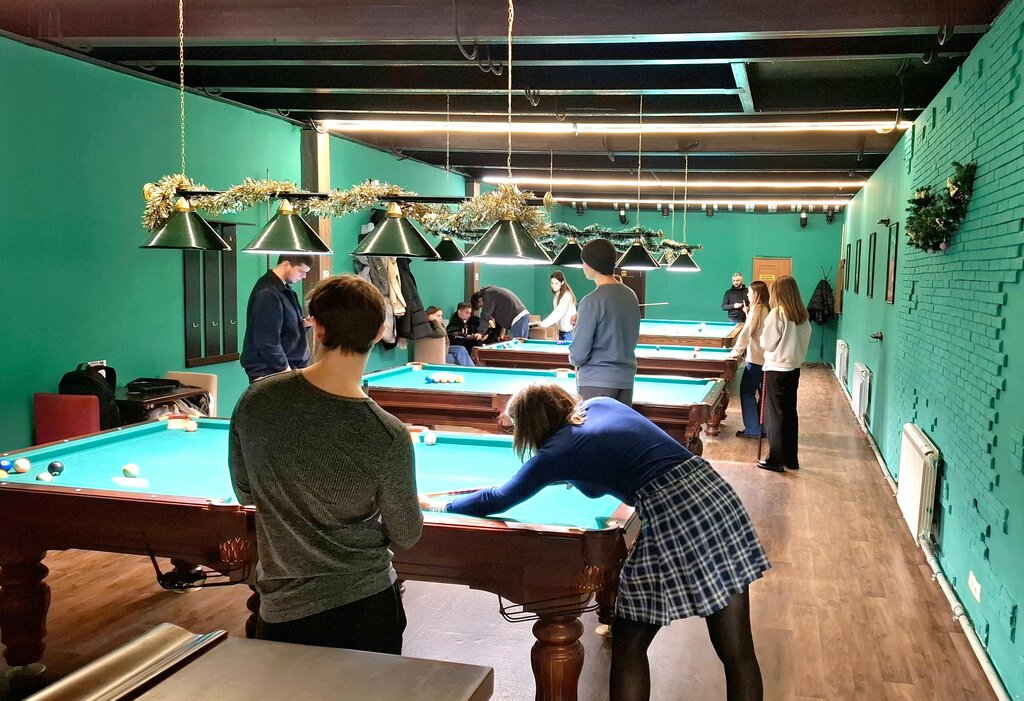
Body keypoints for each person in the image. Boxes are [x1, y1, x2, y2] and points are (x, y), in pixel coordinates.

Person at [420, 383, 768, 701]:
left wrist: (440, 506)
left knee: (629, 642)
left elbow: (496, 499)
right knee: (736, 648)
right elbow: (613, 463)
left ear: (532, 426)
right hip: (715, 493)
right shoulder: (600, 405)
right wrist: (569, 472)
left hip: (675, 512)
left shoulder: (556, 453)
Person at [230, 274, 423, 653]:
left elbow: (245, 492)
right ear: (379, 332)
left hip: (282, 610)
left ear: (316, 328)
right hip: (368, 607)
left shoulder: (255, 400)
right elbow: (407, 535)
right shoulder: (388, 434)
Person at [569, 239, 641, 404]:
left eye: (584, 261)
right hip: (625, 382)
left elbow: (578, 355)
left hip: (596, 382)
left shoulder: (591, 301)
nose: (583, 266)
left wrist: (580, 325)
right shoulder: (630, 296)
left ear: (592, 264)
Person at [757, 275, 811, 472]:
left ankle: (775, 459)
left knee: (775, 416)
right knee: (789, 413)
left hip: (776, 370)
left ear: (778, 292)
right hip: (794, 370)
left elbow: (766, 343)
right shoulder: (802, 315)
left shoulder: (778, 313)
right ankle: (790, 459)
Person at [240, 255, 313, 382]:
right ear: (286, 265)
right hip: (271, 373)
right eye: (300, 271)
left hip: (283, 370)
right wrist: (286, 371)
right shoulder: (267, 294)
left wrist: (302, 325)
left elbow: (283, 328)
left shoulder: (284, 290)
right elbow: (267, 341)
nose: (304, 276)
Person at [733, 281, 771, 439]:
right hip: (767, 360)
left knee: (747, 393)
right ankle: (763, 428)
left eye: (749, 292)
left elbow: (747, 331)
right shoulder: (767, 308)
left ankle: (753, 429)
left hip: (756, 360)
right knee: (764, 394)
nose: (748, 295)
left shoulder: (757, 309)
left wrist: (736, 352)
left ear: (755, 294)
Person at [533, 271, 577, 341]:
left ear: (562, 283)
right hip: (561, 332)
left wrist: (543, 324)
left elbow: (558, 313)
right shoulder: (556, 295)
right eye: (552, 283)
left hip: (570, 333)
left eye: (556, 283)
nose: (554, 286)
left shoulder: (567, 295)